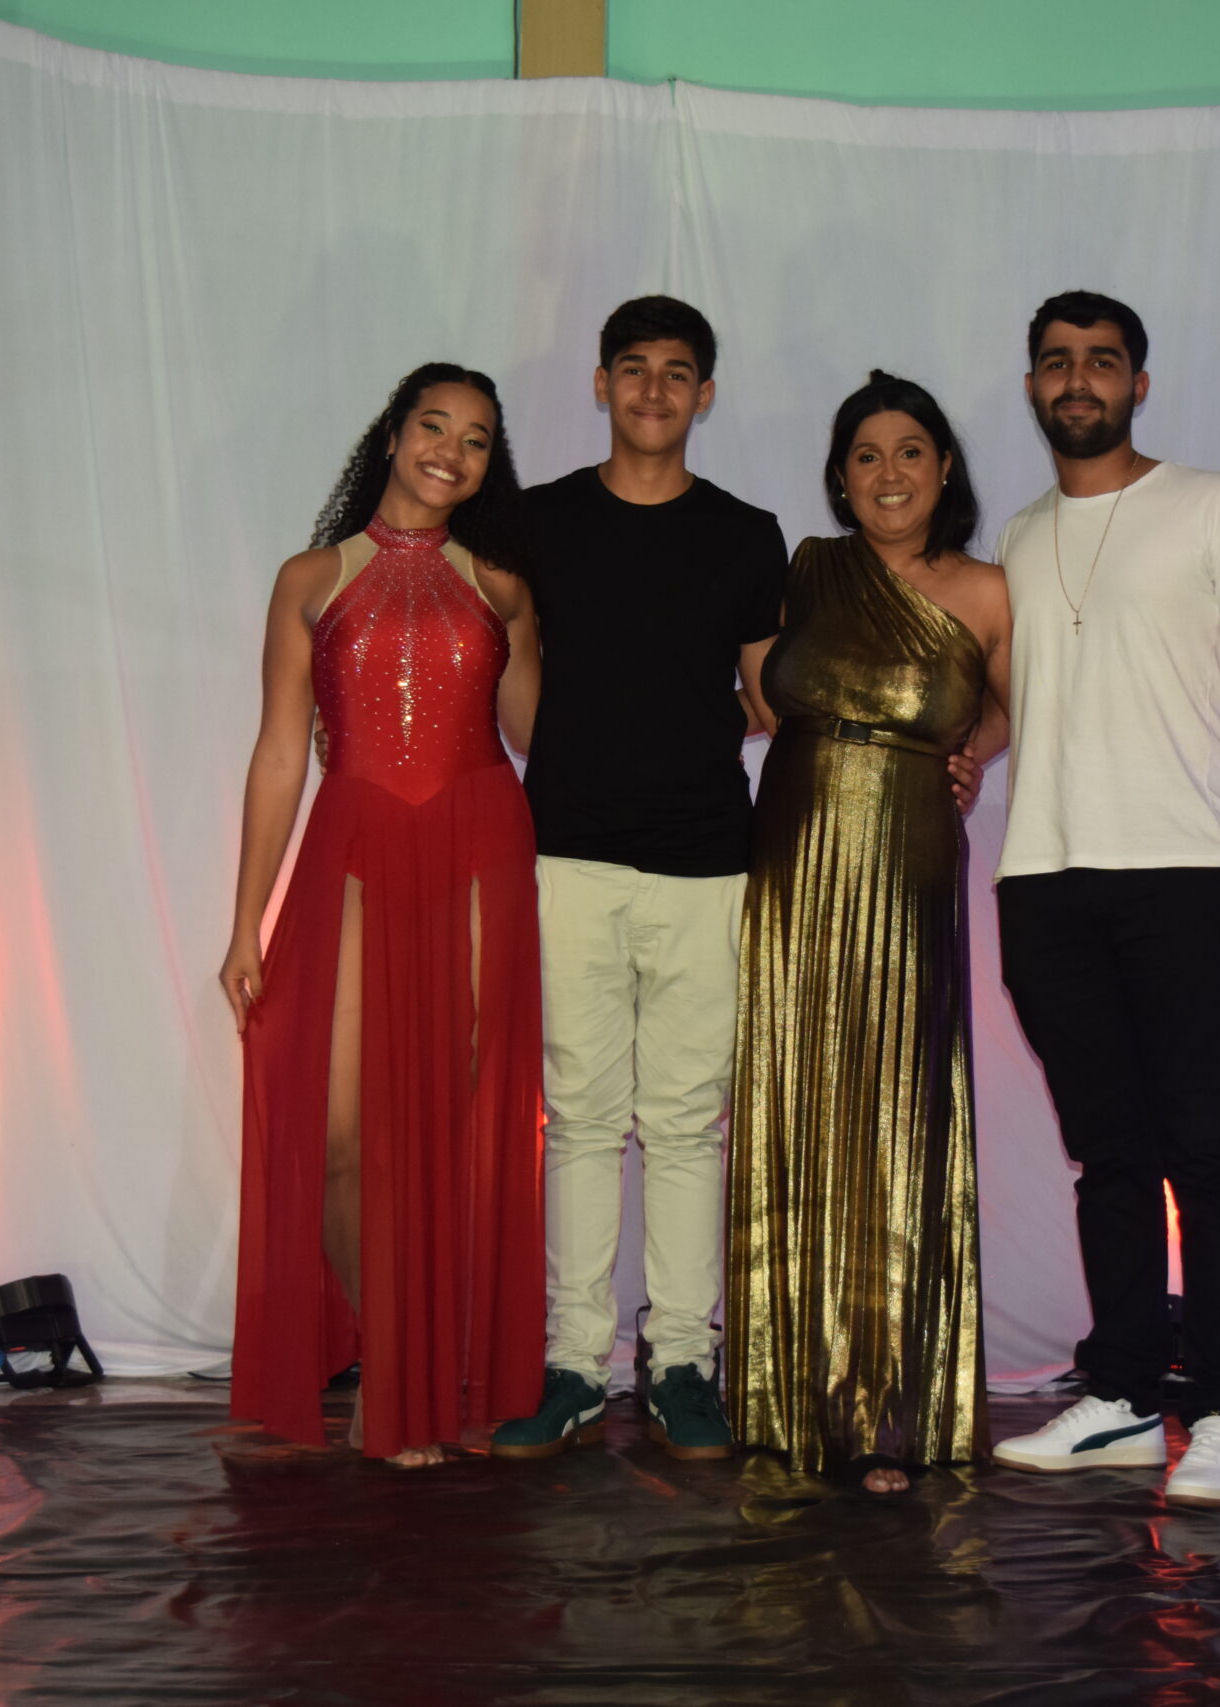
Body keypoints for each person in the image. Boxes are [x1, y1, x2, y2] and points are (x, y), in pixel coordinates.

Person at [986, 292, 1220, 1507]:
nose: (1079, 380)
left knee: (1207, 1146)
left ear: (1137, 384)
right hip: (1044, 879)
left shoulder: (1212, 505)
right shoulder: (1018, 536)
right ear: (1033, 385)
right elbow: (1033, 690)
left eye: (1102, 362)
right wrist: (967, 748)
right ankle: (1120, 1394)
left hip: (1186, 871)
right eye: (1057, 363)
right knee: (1107, 1155)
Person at [219, 363, 546, 1469]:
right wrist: (244, 922)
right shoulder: (312, 577)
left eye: (476, 439)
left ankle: (412, 1383)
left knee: (454, 1128)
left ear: (490, 464)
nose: (451, 450)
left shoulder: (501, 585)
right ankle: (387, 1355)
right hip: (356, 845)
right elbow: (280, 754)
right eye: (433, 426)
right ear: (394, 435)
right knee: (340, 1136)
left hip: (478, 845)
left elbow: (538, 737)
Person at [489, 298, 788, 1462]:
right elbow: (517, 679)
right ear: (601, 383)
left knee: (684, 1125)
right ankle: (573, 1365)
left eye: (675, 373)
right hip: (569, 853)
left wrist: (678, 728)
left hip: (708, 859)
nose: (653, 390)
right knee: (577, 1119)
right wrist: (576, 754)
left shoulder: (746, 534)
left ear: (703, 394)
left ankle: (679, 1365)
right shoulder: (541, 522)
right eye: (633, 368)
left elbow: (767, 696)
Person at [727, 371, 1011, 1494]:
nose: (889, 473)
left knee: (896, 1110)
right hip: (793, 849)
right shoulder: (803, 568)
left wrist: (974, 751)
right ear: (840, 479)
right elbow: (760, 697)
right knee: (796, 1096)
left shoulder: (988, 589)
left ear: (944, 467)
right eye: (865, 455)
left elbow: (1011, 703)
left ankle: (886, 1408)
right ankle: (781, 1396)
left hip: (908, 851)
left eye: (910, 451)